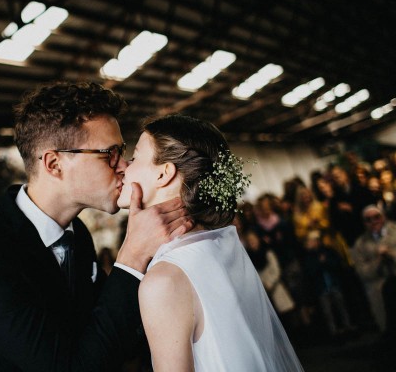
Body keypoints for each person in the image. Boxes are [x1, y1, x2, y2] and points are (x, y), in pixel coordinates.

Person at [0, 81, 192, 371]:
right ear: (54, 164)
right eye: (109, 153)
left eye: (121, 152)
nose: (123, 166)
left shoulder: (77, 236)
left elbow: (105, 336)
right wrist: (132, 256)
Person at [116, 114, 303, 371]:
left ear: (163, 174)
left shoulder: (165, 280)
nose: (124, 166)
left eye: (135, 157)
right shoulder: (221, 246)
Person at [351, 205, 396, 333]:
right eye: (368, 219)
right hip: (379, 282)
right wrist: (378, 261)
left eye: (376, 217)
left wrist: (392, 254)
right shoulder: (360, 244)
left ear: (383, 217)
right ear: (364, 223)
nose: (373, 222)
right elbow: (362, 272)